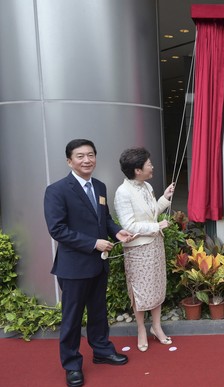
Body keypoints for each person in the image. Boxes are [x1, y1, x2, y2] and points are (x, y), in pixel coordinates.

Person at [44, 139, 132, 387]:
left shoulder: (100, 186)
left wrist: (117, 232)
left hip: (98, 264)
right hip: (73, 267)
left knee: (98, 312)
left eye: (90, 155)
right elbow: (57, 230)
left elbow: (104, 218)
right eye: (80, 156)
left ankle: (102, 350)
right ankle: (71, 365)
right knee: (72, 318)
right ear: (69, 161)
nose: (86, 160)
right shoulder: (57, 190)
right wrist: (94, 243)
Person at [114, 147, 175, 352]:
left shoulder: (147, 186)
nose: (152, 166)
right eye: (149, 164)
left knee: (157, 285)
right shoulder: (123, 192)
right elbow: (129, 225)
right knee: (139, 291)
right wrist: (156, 227)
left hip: (155, 245)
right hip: (137, 250)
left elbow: (152, 212)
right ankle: (141, 329)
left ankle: (156, 327)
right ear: (137, 170)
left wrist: (165, 198)